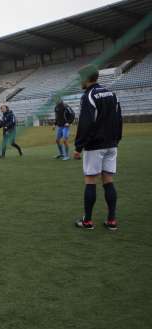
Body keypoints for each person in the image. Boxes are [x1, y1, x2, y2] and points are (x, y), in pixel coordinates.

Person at [73, 65, 122, 231]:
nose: (80, 81)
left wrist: (78, 147)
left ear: (87, 78)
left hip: (95, 145)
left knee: (90, 180)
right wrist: (116, 139)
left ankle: (87, 221)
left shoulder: (89, 95)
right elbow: (118, 118)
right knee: (108, 180)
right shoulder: (111, 93)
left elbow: (86, 123)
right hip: (111, 143)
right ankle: (112, 220)